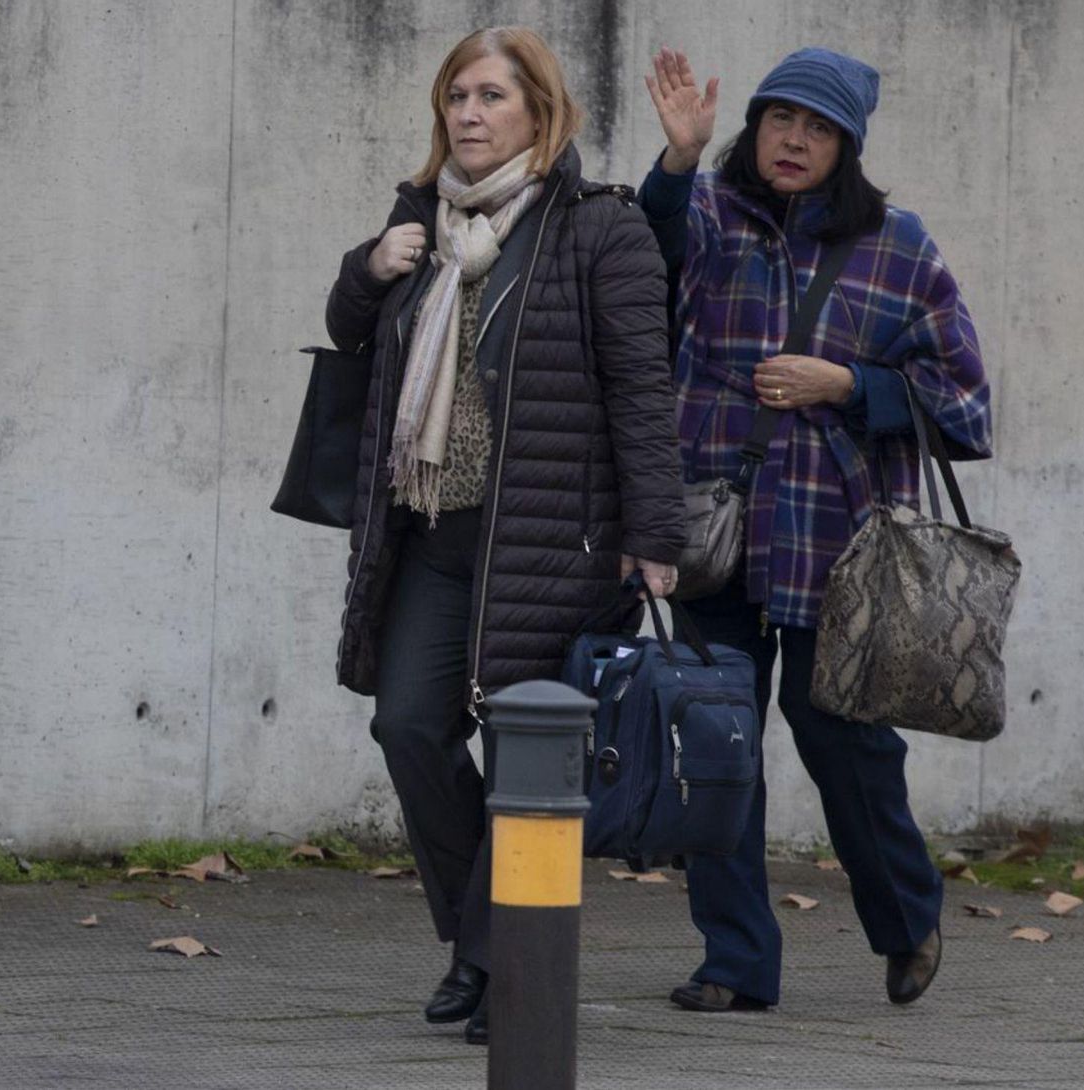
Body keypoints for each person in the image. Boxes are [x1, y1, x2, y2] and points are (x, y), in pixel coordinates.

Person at [325, 27, 684, 1045]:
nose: (468, 115)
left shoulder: (598, 229)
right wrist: (366, 268)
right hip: (435, 537)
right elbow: (353, 337)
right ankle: (483, 942)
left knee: (530, 765)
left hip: (553, 543)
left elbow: (642, 391)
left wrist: (654, 529)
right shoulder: (420, 223)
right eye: (456, 98)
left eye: (490, 97)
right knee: (408, 728)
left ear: (540, 112)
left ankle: (497, 964)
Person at [639, 46, 992, 1011]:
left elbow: (965, 407)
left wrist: (852, 387)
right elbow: (638, 273)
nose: (794, 140)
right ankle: (737, 964)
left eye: (820, 128)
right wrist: (674, 165)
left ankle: (908, 911)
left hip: (839, 540)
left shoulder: (902, 248)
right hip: (711, 523)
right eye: (780, 119)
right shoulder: (706, 214)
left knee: (840, 734)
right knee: (716, 743)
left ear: (850, 147)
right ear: (753, 127)